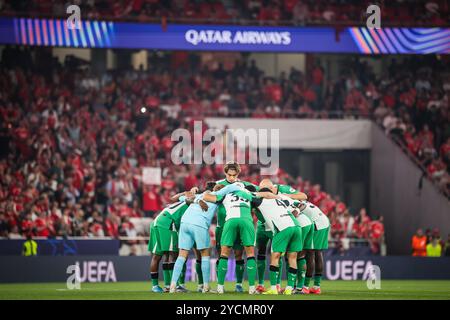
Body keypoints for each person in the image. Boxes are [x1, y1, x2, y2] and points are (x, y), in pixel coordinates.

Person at [201, 183, 276, 294]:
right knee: (250, 254)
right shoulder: (248, 194)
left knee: (224, 254)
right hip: (246, 221)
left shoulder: (226, 195)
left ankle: (220, 288)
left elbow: (206, 197)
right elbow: (265, 198)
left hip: (230, 221)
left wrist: (216, 192)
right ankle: (251, 289)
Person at [169, 182, 241, 293]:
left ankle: (173, 285)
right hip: (199, 224)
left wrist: (188, 194)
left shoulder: (198, 195)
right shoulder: (217, 194)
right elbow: (231, 187)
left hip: (185, 223)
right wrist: (242, 187)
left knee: (182, 255)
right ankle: (206, 287)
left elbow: (175, 198)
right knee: (204, 254)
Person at [255, 178, 307, 294]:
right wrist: (296, 212)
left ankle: (274, 288)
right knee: (292, 257)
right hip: (296, 226)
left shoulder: (260, 200)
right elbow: (301, 204)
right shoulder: (281, 197)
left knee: (275, 256)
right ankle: (289, 289)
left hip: (282, 228)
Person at [215, 161, 259, 293]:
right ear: (225, 173)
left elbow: (259, 190)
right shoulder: (219, 185)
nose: (231, 178)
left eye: (234, 175)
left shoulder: (245, 185)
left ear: (238, 174)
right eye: (229, 175)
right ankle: (220, 285)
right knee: (221, 254)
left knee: (238, 254)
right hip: (222, 225)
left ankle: (238, 284)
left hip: (230, 222)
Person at [298, 200, 330, 295]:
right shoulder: (304, 201)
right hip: (324, 221)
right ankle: (317, 286)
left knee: (310, 253)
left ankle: (305, 287)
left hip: (317, 224)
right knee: (318, 252)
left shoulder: (296, 204)